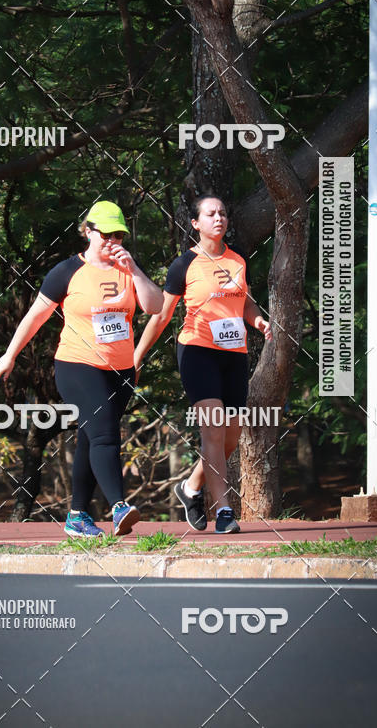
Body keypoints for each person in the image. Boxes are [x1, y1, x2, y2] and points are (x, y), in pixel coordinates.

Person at [0, 201, 163, 538]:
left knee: (89, 438)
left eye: (119, 234)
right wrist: (10, 355)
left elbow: (155, 305)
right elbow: (36, 316)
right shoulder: (67, 271)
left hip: (121, 370)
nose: (113, 240)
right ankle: (119, 507)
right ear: (88, 231)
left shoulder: (128, 268)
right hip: (77, 365)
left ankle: (76, 515)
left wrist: (135, 271)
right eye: (106, 233)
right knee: (105, 435)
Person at [134, 195, 273, 534]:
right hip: (197, 351)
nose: (218, 218)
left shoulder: (239, 260)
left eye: (223, 212)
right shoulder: (184, 265)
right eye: (210, 214)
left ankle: (190, 486)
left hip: (233, 354)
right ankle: (224, 510)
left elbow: (246, 304)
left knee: (231, 436)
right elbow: (161, 316)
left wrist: (259, 322)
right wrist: (135, 357)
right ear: (196, 223)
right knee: (212, 428)